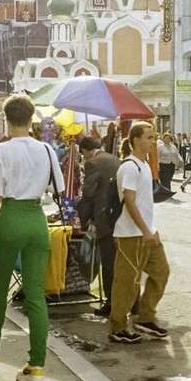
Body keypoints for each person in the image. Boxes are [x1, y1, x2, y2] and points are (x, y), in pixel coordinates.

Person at [0, 94, 64, 381]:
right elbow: (57, 188)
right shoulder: (46, 149)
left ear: (7, 119)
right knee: (35, 294)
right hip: (36, 218)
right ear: (31, 117)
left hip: (10, 217)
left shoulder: (1, 151)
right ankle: (35, 366)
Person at [108, 121, 170, 344]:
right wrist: (145, 231)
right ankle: (117, 327)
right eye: (149, 137)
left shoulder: (144, 165)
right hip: (130, 234)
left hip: (147, 232)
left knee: (161, 272)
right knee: (127, 282)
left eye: (154, 138)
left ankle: (145, 317)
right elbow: (130, 202)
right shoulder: (129, 167)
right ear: (136, 140)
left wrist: (149, 230)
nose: (154, 142)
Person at [77, 136, 121, 318]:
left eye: (83, 155)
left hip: (104, 218)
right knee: (121, 263)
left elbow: (88, 193)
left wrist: (83, 218)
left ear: (86, 151)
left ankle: (110, 303)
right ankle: (129, 302)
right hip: (118, 217)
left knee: (108, 263)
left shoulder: (92, 163)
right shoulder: (114, 158)